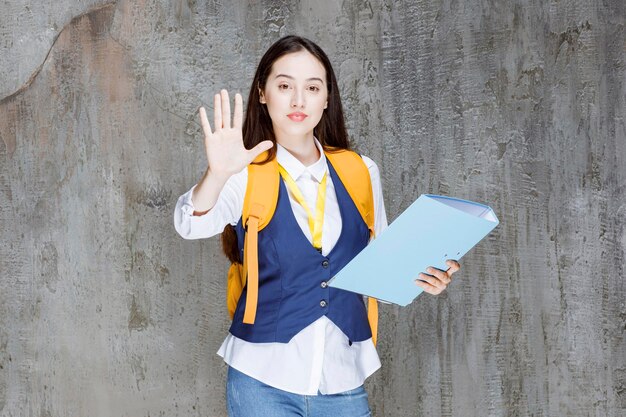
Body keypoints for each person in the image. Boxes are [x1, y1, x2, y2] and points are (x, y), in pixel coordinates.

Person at [174, 35, 461, 417]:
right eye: (284, 86)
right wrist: (217, 173)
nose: (298, 100)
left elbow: (380, 270)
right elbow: (189, 224)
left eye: (312, 88)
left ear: (327, 98)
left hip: (343, 379)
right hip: (262, 379)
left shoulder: (361, 170)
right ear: (263, 93)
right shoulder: (244, 174)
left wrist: (426, 277)